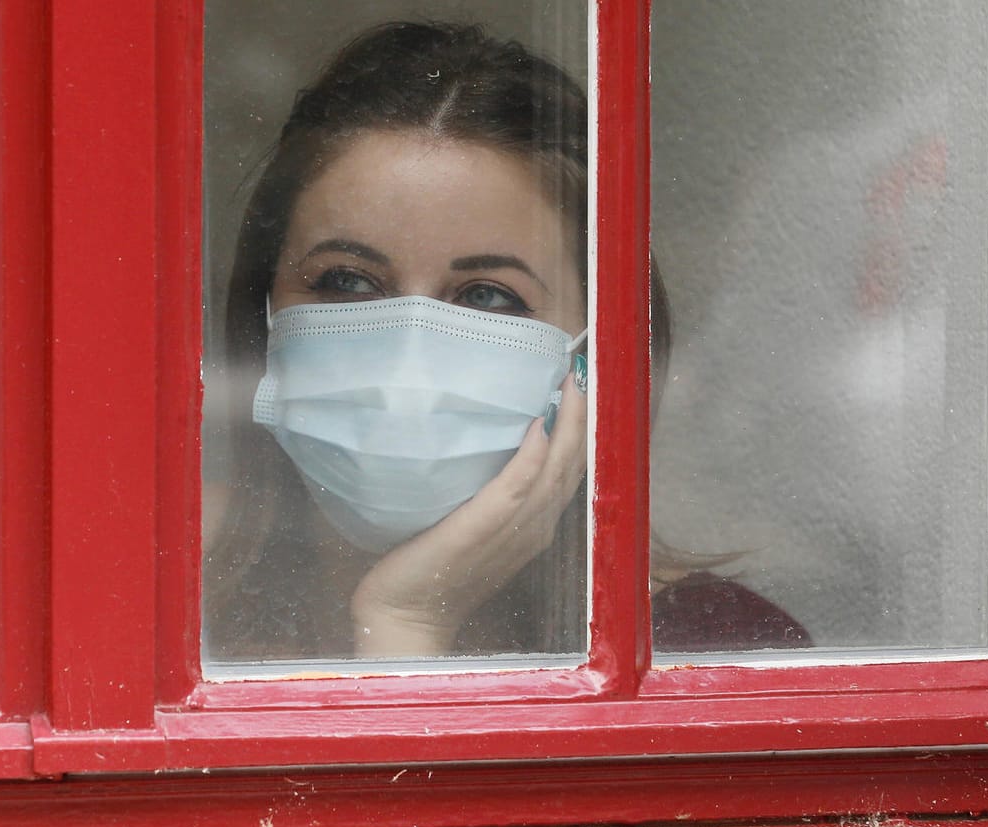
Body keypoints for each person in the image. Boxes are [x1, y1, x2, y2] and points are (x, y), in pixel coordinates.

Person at [203, 21, 806, 661]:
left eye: (488, 294)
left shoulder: (718, 651)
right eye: (348, 280)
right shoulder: (161, 620)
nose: (408, 367)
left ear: (592, 350)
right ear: (264, 317)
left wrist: (407, 621)